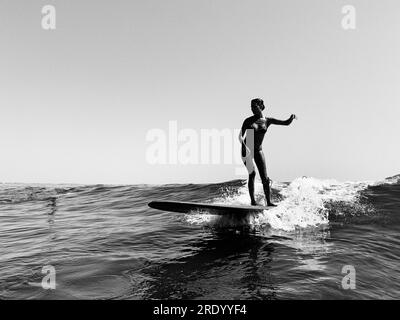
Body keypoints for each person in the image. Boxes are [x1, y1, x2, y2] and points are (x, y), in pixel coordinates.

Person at [238, 98, 296, 206]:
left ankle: (268, 202)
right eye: (251, 107)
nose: (252, 109)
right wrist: (244, 145)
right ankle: (253, 201)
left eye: (254, 107)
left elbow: (286, 123)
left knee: (265, 178)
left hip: (258, 150)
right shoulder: (248, 121)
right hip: (247, 148)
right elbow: (240, 136)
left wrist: (291, 117)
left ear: (260, 107)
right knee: (252, 173)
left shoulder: (268, 121)